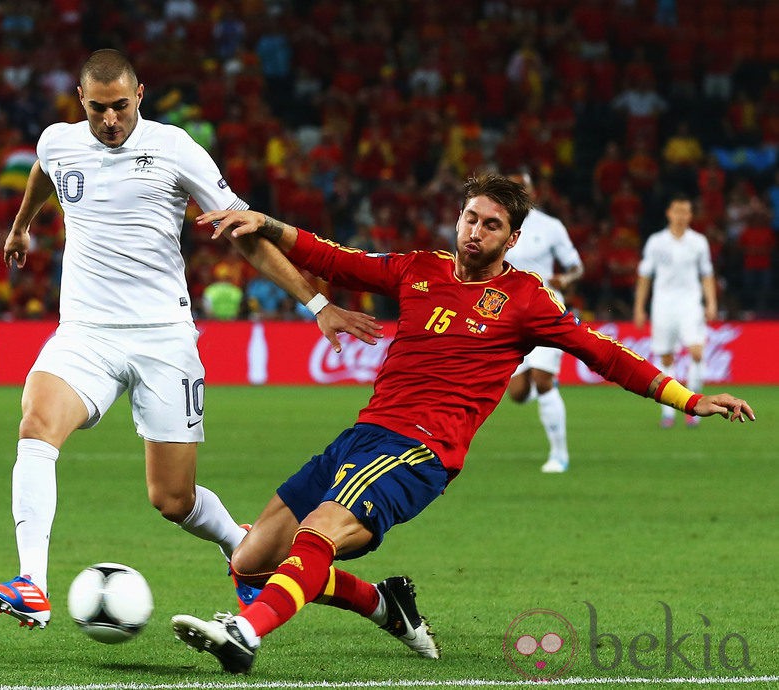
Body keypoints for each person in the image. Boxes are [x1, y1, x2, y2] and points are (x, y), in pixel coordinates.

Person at [170, 174, 755, 675]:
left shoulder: (527, 299)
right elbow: (333, 258)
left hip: (422, 451)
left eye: (491, 225)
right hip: (363, 435)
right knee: (249, 560)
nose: (475, 231)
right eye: (469, 218)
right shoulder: (417, 270)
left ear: (513, 238)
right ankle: (384, 604)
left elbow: (603, 352)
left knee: (320, 530)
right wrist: (265, 224)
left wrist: (688, 398)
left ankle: (246, 635)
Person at [0, 49, 379, 630]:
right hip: (85, 334)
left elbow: (243, 231)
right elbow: (44, 170)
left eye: (119, 106)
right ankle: (32, 584)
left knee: (172, 499)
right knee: (37, 425)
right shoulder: (58, 141)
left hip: (164, 341)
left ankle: (242, 551)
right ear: (80, 103)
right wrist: (21, 227)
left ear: (140, 95)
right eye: (97, 109)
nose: (109, 120)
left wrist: (315, 303)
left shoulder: (174, 149)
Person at [503, 172, 583, 473]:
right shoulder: (495, 225)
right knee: (518, 393)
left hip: (545, 308)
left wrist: (567, 277)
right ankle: (540, 380)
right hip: (507, 314)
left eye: (521, 188)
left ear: (533, 191)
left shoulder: (551, 227)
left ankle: (559, 455)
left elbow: (577, 266)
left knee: (542, 380)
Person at [633, 194, 717, 429]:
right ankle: (669, 411)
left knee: (697, 352)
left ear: (690, 215)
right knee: (666, 357)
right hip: (663, 305)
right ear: (669, 213)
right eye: (677, 211)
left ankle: (694, 408)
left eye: (686, 212)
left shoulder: (698, 242)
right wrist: (640, 307)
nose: (681, 216)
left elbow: (707, 274)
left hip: (690, 303)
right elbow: (644, 276)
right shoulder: (656, 242)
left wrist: (711, 302)